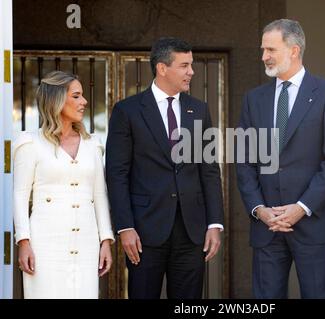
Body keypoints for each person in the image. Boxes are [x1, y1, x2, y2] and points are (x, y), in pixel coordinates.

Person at [236, 19, 325, 299]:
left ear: (294, 50)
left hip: (313, 222)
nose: (264, 56)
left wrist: (301, 207)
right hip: (267, 226)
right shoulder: (254, 99)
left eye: (270, 49)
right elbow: (244, 159)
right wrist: (259, 208)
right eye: (263, 49)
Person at [106, 37, 224, 299]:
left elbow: (209, 170)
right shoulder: (128, 111)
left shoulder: (199, 110)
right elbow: (117, 174)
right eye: (184, 66)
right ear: (162, 68)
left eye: (191, 65)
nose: (191, 72)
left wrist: (214, 222)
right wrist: (125, 226)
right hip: (144, 233)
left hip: (192, 232)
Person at [13, 71, 114, 299]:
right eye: (76, 96)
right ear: (57, 100)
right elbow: (20, 196)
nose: (84, 102)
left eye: (83, 96)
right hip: (45, 245)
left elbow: (99, 195)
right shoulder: (30, 143)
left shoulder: (93, 144)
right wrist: (23, 242)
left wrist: (105, 240)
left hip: (86, 242)